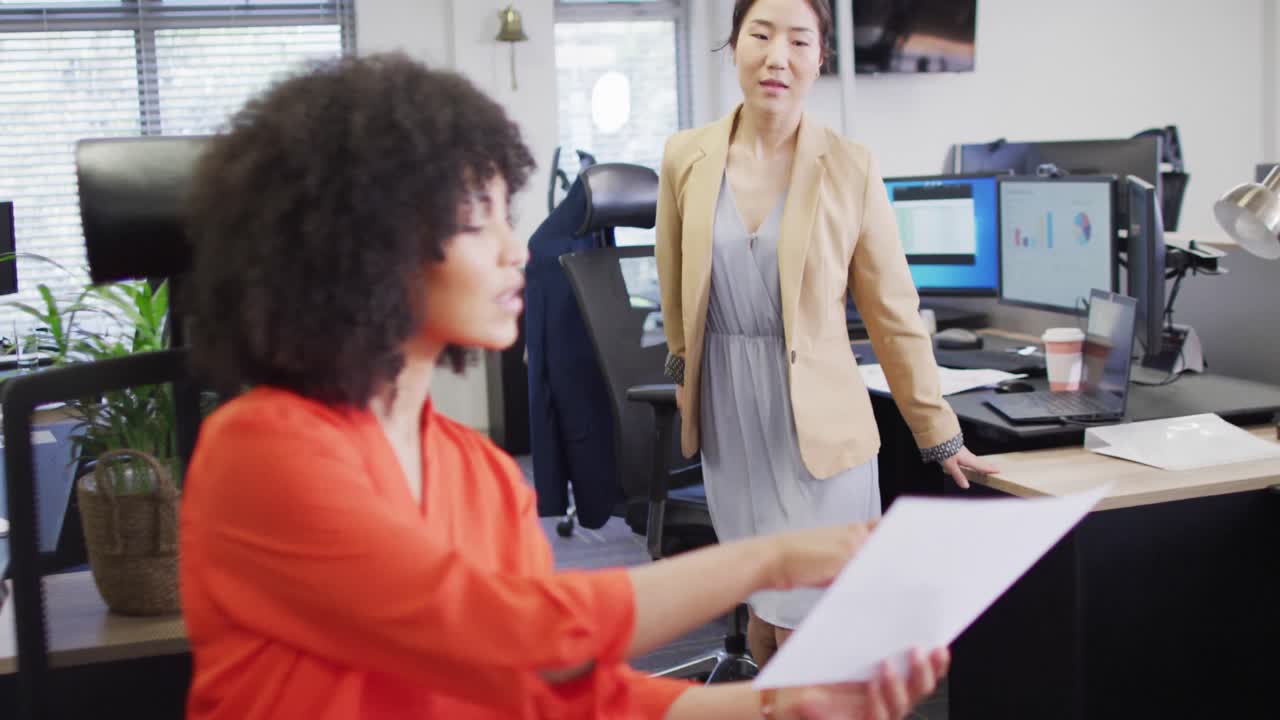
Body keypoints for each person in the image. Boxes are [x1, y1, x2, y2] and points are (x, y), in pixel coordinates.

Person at [179, 53, 948, 719]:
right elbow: (522, 632)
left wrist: (780, 705)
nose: (519, 250)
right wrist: (769, 560)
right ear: (366, 242)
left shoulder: (479, 475)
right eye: (479, 221)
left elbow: (557, 690)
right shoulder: (263, 450)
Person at [654, 0, 998, 666]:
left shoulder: (850, 165)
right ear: (734, 44)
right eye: (760, 34)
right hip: (729, 416)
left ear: (820, 58)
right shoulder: (685, 158)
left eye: (798, 40)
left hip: (818, 422)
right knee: (761, 602)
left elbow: (892, 310)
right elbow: (674, 280)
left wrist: (937, 430)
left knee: (814, 623)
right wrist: (681, 375)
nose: (776, 56)